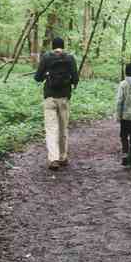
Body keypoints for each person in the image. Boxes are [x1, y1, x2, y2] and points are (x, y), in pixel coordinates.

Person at [34, 37, 79, 170]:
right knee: (63, 128)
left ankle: (53, 159)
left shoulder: (46, 57)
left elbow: (37, 77)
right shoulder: (70, 58)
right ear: (63, 46)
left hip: (49, 97)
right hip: (64, 97)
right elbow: (75, 78)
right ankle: (63, 157)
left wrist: (46, 76)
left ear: (53, 47)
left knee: (51, 128)